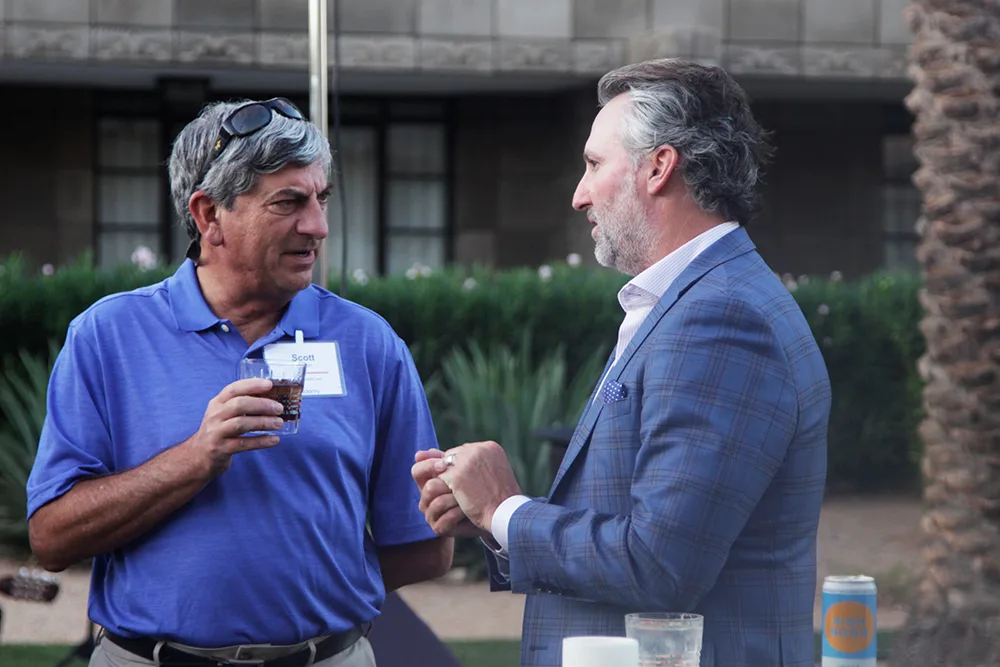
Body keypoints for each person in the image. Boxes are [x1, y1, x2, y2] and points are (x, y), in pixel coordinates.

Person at [412, 58, 831, 667]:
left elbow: (660, 563)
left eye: (593, 165)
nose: (579, 195)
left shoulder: (717, 319)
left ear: (659, 167)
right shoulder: (698, 300)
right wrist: (492, 520)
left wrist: (507, 510)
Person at [26, 97, 452, 667]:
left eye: (321, 199)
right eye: (289, 202)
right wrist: (195, 459)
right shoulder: (108, 335)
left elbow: (424, 546)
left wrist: (315, 592)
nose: (318, 226)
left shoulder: (368, 342)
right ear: (208, 215)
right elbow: (52, 538)